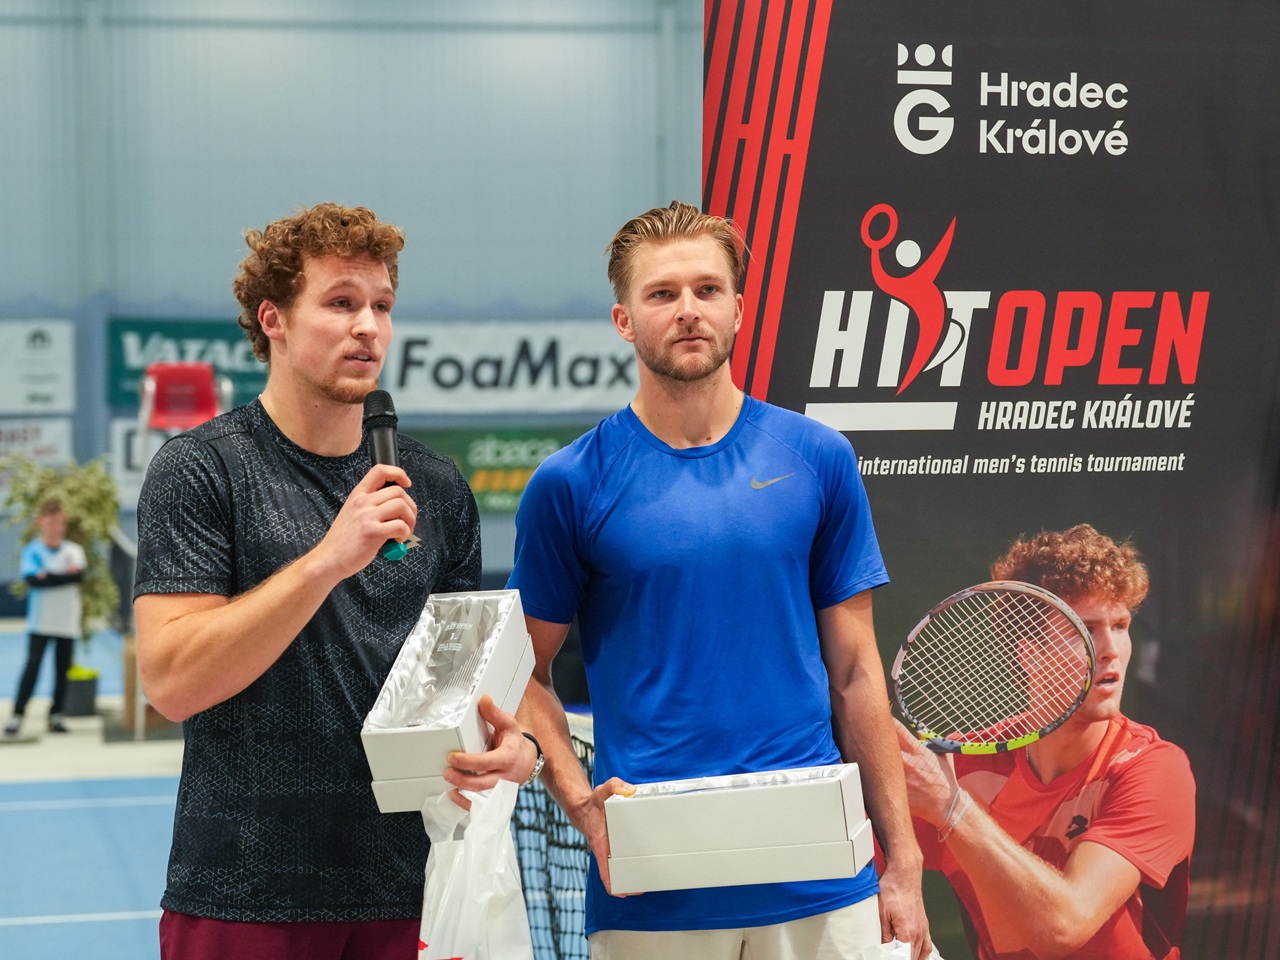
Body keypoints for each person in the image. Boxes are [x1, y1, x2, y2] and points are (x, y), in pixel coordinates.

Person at [506, 200, 930, 959]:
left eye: (707, 289)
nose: (688, 310)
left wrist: (902, 859)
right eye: (661, 293)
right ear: (624, 320)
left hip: (820, 873)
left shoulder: (818, 457)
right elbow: (522, 673)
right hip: (649, 886)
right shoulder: (569, 484)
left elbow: (856, 672)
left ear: (738, 307)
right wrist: (582, 804)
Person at [133, 203, 538, 960]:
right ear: (274, 320)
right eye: (341, 303)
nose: (368, 327)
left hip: (416, 890)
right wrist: (327, 560)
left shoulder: (436, 486)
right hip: (245, 895)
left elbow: (469, 679)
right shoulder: (202, 470)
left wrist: (517, 748)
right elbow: (171, 682)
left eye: (382, 305)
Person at [896, 524, 1195, 960]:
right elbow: (841, 870)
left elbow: (1065, 926)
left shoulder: (1154, 769)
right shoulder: (960, 766)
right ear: (1029, 653)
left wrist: (950, 808)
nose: (1110, 649)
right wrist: (899, 881)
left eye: (1120, 625)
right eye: (1085, 630)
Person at [4, 499, 86, 736]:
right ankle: (17, 714)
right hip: (40, 622)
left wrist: (49, 576)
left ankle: (56, 714)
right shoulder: (32, 550)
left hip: (67, 622)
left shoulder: (74, 551)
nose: (56, 528)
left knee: (62, 669)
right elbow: (34, 580)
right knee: (32, 667)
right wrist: (62, 577)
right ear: (41, 523)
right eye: (51, 523)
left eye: (60, 523)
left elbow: (77, 577)